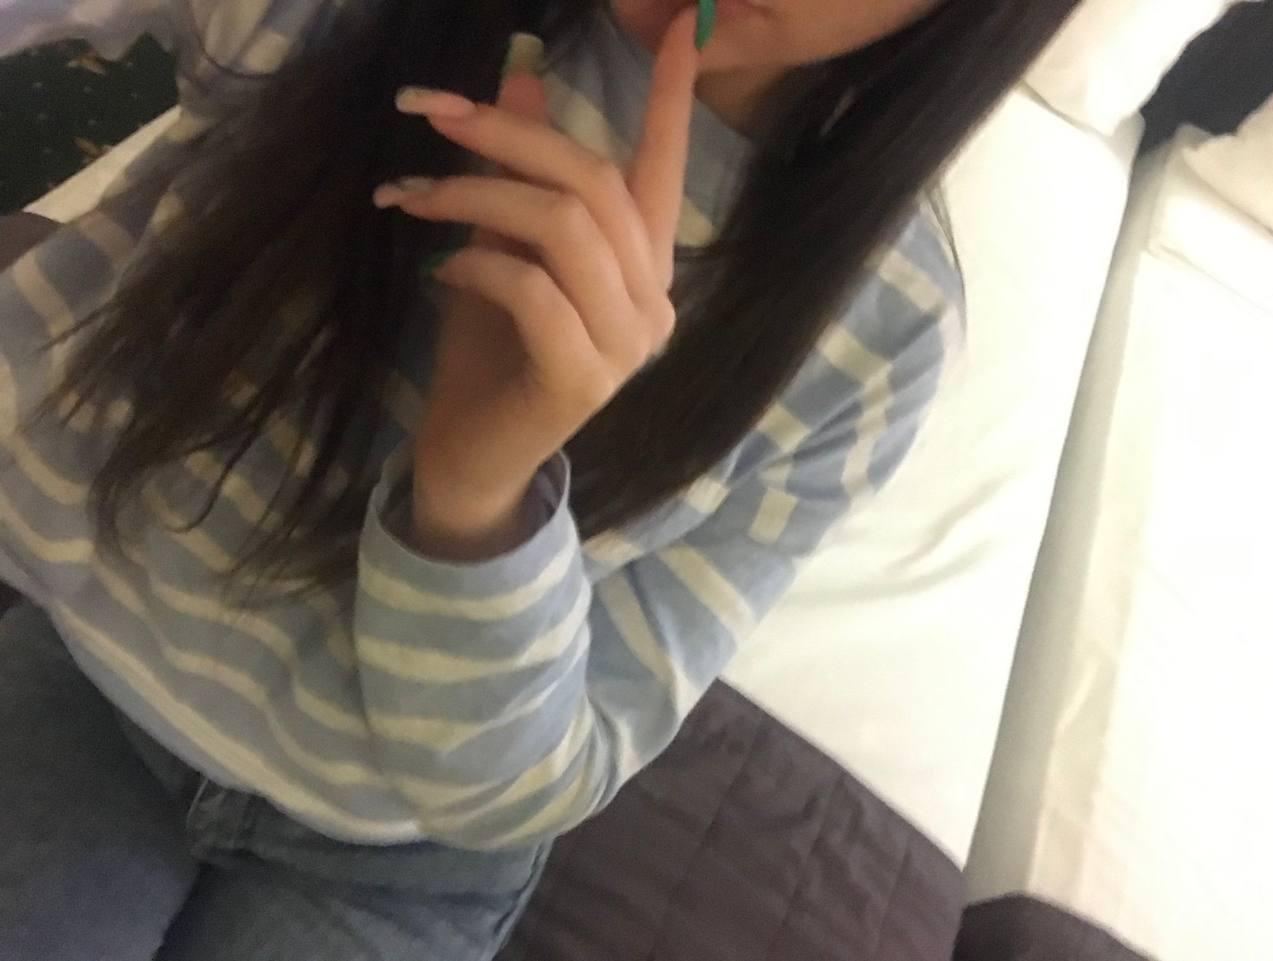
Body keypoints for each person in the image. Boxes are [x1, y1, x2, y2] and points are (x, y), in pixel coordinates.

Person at [0, 0, 1077, 958]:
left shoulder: (878, 326)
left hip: (397, 855)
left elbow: (544, 771)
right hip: (97, 676)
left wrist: (477, 491)